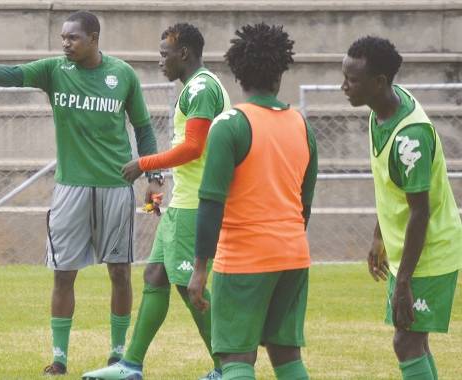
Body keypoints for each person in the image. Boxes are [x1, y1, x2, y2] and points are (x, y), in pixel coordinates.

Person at [0, 10, 162, 376]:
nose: (65, 44)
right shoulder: (55, 70)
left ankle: (118, 354)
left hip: (115, 187)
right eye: (62, 37)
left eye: (73, 38)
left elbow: (143, 129)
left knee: (120, 272)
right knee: (63, 272)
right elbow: (13, 76)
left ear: (93, 38)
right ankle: (59, 358)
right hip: (70, 188)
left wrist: (154, 176)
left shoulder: (122, 75)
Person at [82, 22, 229, 380]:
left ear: (184, 54)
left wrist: (144, 164)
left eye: (165, 54)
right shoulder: (195, 87)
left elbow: (194, 148)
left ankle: (228, 368)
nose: (160, 61)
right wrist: (159, 182)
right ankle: (130, 365)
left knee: (187, 285)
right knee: (156, 274)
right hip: (183, 200)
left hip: (195, 204)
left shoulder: (202, 88)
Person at [187, 23, 317, 380]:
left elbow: (211, 203)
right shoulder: (301, 124)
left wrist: (200, 269)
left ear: (238, 73)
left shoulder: (229, 124)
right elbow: (305, 203)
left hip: (244, 258)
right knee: (286, 353)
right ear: (280, 73)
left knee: (236, 358)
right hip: (293, 255)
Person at [341, 36, 462, 380]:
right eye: (344, 76)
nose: (343, 86)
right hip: (407, 251)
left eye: (352, 80)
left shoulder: (411, 139)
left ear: (379, 83)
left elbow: (420, 212)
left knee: (406, 341)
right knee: (414, 341)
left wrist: (405, 280)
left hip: (430, 252)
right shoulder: (380, 110)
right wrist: (380, 237)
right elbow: (389, 188)